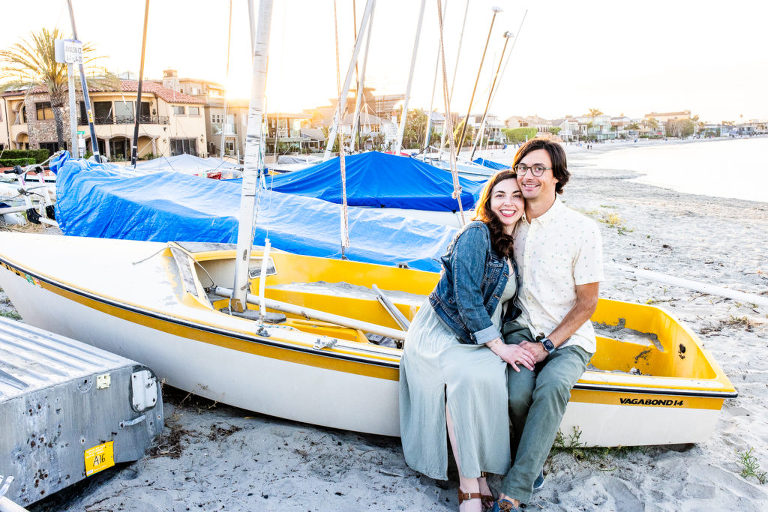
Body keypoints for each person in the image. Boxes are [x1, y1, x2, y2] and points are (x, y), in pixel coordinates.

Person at [400, 170, 536, 512]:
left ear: (525, 203)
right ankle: (468, 484)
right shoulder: (476, 233)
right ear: (488, 201)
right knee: (463, 378)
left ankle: (481, 474)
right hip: (446, 328)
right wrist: (499, 345)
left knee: (490, 377)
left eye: (516, 196)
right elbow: (466, 297)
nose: (508, 202)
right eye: (500, 195)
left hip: (482, 332)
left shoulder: (514, 242)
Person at [491, 139, 603, 511]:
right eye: (522, 167)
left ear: (558, 177)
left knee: (552, 386)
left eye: (538, 169)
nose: (528, 176)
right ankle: (534, 464)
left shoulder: (582, 230)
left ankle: (515, 490)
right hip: (522, 330)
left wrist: (548, 346)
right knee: (518, 394)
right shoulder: (510, 220)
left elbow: (587, 303)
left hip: (569, 338)